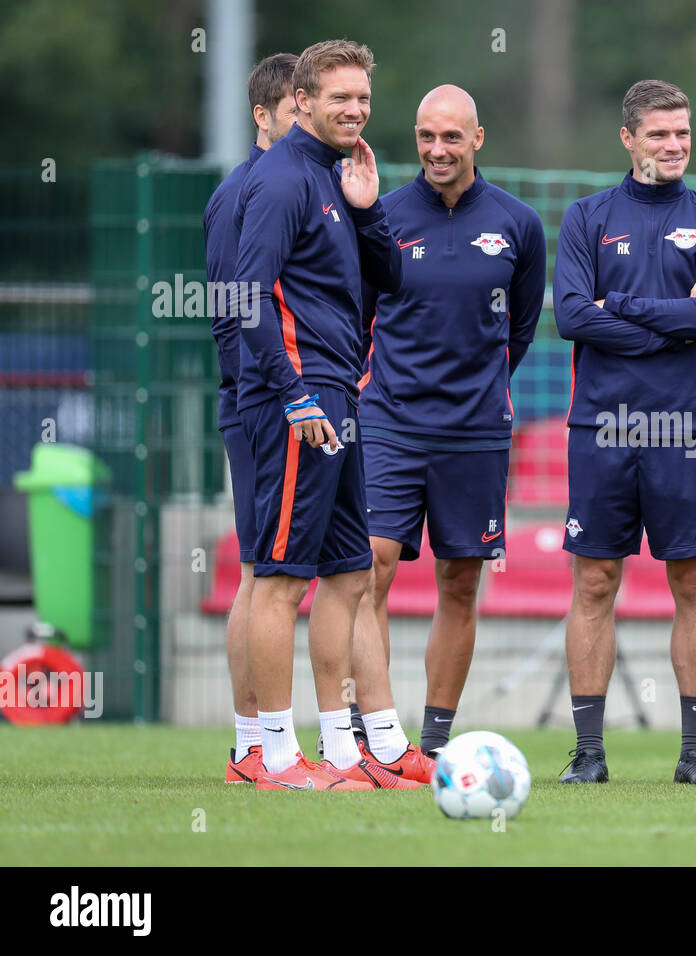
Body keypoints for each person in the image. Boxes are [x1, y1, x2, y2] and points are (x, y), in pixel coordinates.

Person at [234, 39, 415, 791]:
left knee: (347, 577)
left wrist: (369, 214)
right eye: (340, 97)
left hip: (340, 396)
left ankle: (341, 750)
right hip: (300, 403)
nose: (355, 110)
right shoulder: (280, 180)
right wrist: (296, 393)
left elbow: (395, 279)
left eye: (363, 99)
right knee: (281, 579)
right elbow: (249, 296)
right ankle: (272, 756)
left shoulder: (336, 179)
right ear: (300, 100)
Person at [552, 79, 696, 785]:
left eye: (683, 134)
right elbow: (571, 315)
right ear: (628, 138)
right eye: (660, 134)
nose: (674, 146)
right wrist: (669, 323)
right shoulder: (585, 217)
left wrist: (622, 308)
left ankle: (695, 757)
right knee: (595, 580)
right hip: (601, 424)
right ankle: (589, 755)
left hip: (685, 427)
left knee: (692, 582)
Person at [354, 85, 546, 761]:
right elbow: (357, 314)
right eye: (427, 137)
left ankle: (432, 745)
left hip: (475, 431)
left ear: (478, 138)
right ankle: (370, 733)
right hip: (389, 421)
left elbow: (519, 328)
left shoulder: (518, 224)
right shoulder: (380, 214)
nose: (438, 150)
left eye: (452, 138)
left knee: (460, 581)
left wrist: (485, 384)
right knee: (368, 569)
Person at [205, 52, 297, 784]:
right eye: (296, 110)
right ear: (263, 116)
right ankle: (253, 745)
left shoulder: (305, 181)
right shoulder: (245, 191)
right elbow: (236, 304)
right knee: (262, 574)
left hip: (286, 397)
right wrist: (272, 387)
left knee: (270, 572)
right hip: (261, 401)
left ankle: (259, 745)